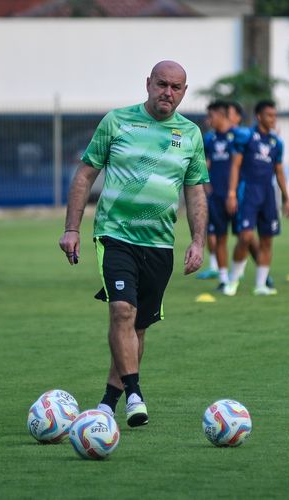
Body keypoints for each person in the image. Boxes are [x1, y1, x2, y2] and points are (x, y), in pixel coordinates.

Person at [58, 61, 208, 427]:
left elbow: (196, 192)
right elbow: (85, 175)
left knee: (137, 326)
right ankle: (135, 393)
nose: (167, 93)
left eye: (175, 87)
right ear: (148, 84)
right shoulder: (117, 122)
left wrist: (198, 241)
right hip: (115, 235)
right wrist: (72, 228)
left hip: (159, 244)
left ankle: (110, 400)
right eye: (161, 84)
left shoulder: (190, 134)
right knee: (121, 311)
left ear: (184, 92)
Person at [223, 100, 289, 296]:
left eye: (275, 115)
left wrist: (287, 198)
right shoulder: (246, 137)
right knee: (245, 237)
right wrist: (231, 193)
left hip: (268, 194)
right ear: (259, 116)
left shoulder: (276, 142)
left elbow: (279, 171)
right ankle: (233, 280)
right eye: (269, 115)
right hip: (249, 191)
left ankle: (261, 284)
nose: (273, 119)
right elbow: (235, 166)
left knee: (267, 240)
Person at [196, 101, 235, 289]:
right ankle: (223, 279)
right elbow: (207, 164)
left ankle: (257, 273)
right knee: (219, 236)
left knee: (247, 236)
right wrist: (206, 185)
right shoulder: (210, 139)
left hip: (236, 195)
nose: (208, 120)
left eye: (210, 116)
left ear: (220, 115)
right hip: (216, 196)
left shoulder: (236, 137)